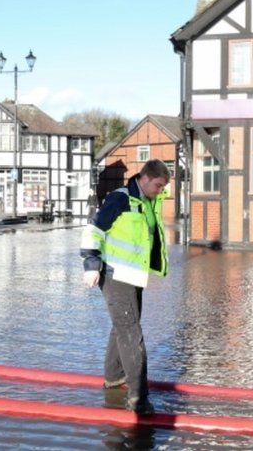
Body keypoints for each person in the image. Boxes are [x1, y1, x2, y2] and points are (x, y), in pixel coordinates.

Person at [80, 159, 170, 415]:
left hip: (134, 275)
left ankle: (114, 377)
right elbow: (94, 230)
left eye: (163, 187)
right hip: (114, 274)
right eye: (158, 185)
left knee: (122, 326)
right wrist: (91, 265)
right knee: (132, 333)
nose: (160, 190)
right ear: (144, 178)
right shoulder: (120, 199)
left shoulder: (149, 201)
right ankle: (138, 398)